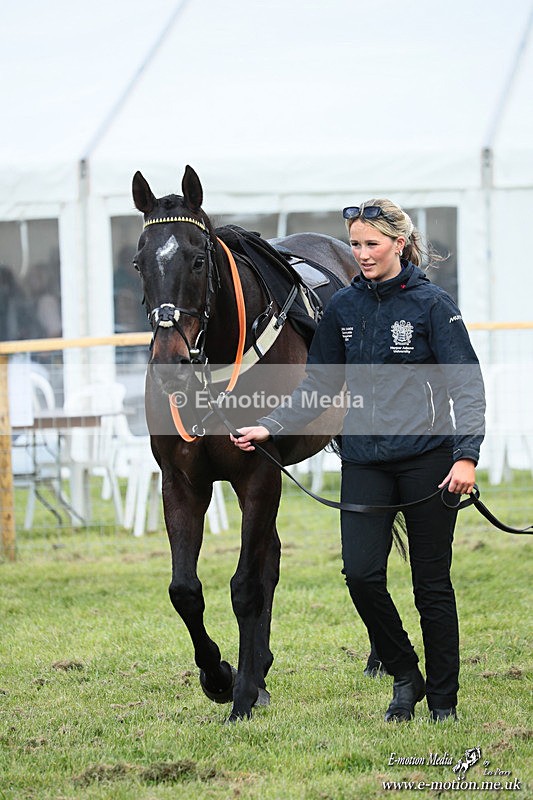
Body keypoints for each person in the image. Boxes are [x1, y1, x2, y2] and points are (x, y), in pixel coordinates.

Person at [231, 200, 485, 723]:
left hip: (429, 462)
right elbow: (319, 387)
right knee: (362, 575)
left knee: (431, 586)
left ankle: (442, 701)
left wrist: (466, 457)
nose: (362, 253)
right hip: (364, 461)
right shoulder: (343, 307)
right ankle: (404, 672)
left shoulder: (434, 305)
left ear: (398, 243)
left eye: (372, 243)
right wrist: (270, 426)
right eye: (356, 244)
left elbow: (467, 386)